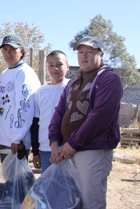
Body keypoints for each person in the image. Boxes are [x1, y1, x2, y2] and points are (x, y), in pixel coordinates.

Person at [49, 36, 123, 209]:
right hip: (66, 151)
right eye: (80, 52)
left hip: (92, 152)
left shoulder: (109, 79)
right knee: (69, 202)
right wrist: (54, 144)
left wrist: (73, 143)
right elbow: (59, 113)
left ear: (101, 54)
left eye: (89, 52)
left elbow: (100, 117)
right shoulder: (74, 82)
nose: (84, 56)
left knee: (91, 203)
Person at [0, 34, 41, 163]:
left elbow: (24, 107)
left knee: (18, 182)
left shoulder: (24, 73)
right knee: (10, 180)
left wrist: (17, 138)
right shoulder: (5, 73)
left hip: (16, 141)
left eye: (12, 49)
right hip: (5, 138)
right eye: (5, 49)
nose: (8, 53)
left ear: (22, 50)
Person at [31, 50, 69, 173]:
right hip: (45, 149)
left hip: (67, 148)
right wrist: (35, 151)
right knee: (48, 187)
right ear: (46, 68)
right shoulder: (40, 92)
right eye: (51, 65)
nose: (55, 68)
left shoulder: (73, 87)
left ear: (67, 67)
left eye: (59, 64)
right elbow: (36, 123)